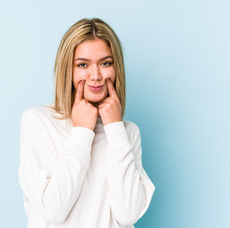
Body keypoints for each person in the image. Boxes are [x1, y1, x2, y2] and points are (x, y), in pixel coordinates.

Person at [18, 18, 155, 228]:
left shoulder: (127, 132)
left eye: (105, 63)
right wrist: (82, 131)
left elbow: (128, 214)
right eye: (83, 64)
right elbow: (53, 210)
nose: (96, 76)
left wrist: (115, 128)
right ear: (68, 69)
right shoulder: (38, 121)